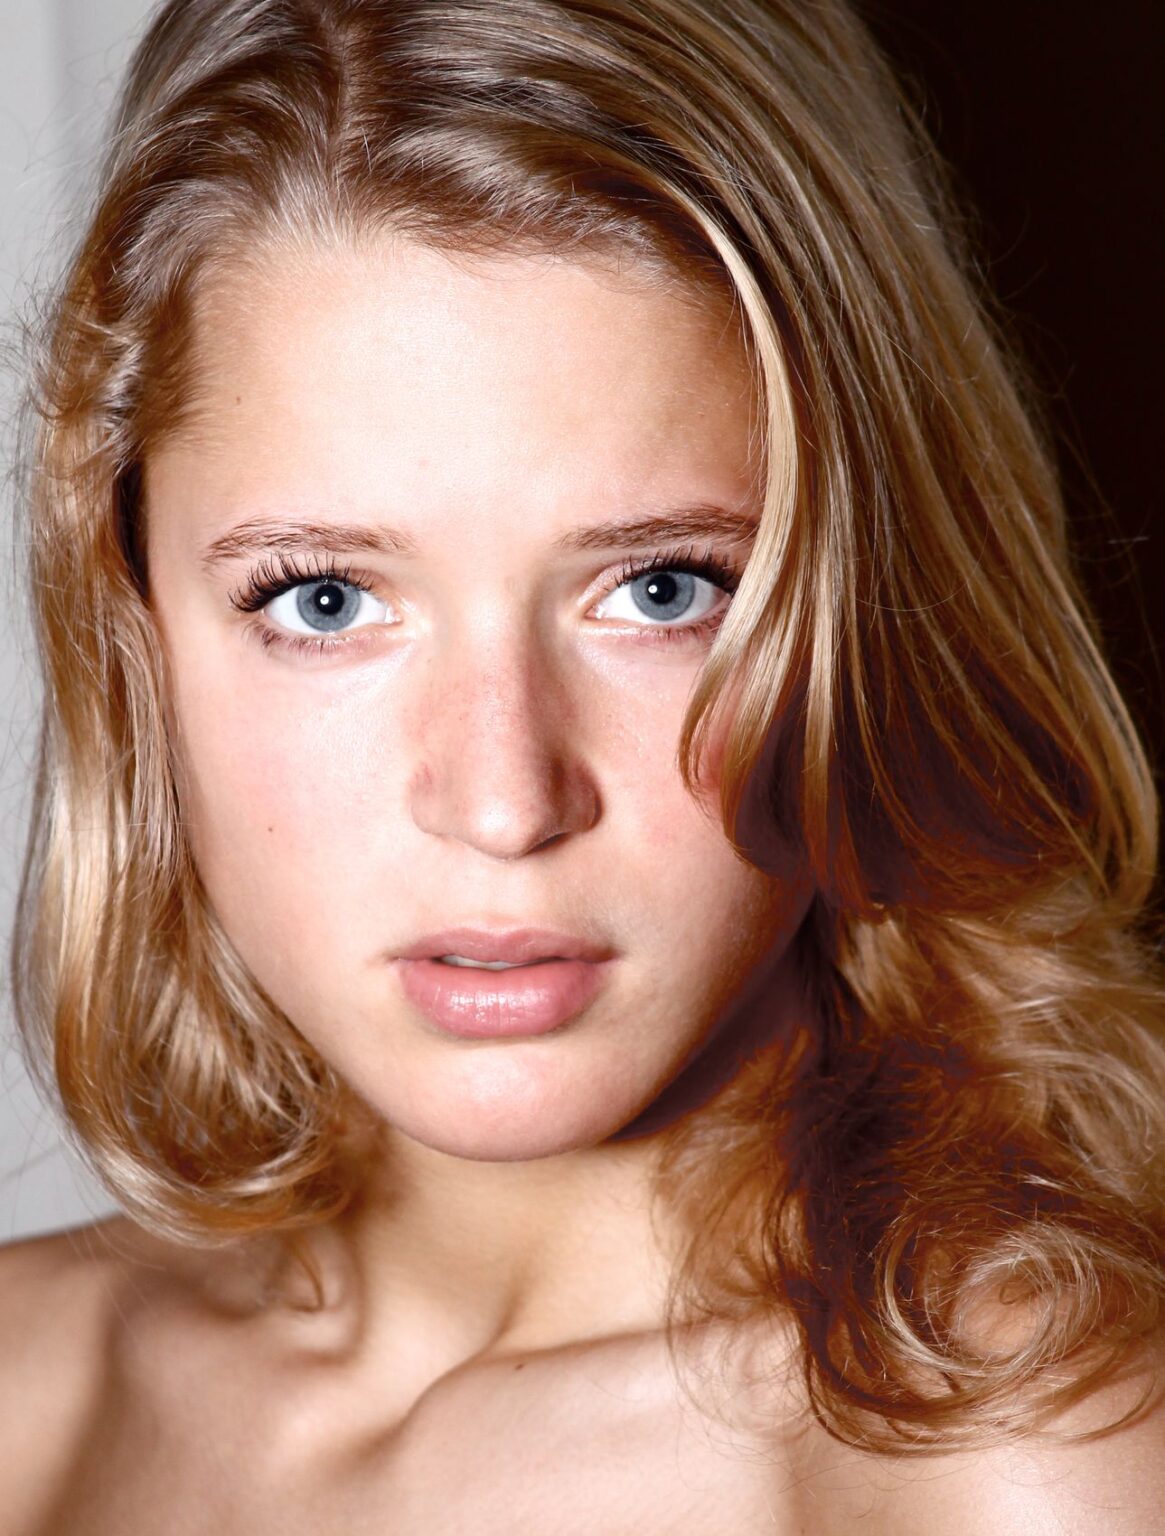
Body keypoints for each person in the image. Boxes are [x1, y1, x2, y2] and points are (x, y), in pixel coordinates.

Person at [2, 0, 1163, 1529]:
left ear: (870, 613)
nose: (502, 802)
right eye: (325, 601)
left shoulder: (1025, 1452)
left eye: (661, 591)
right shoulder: (30, 1382)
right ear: (129, 614)